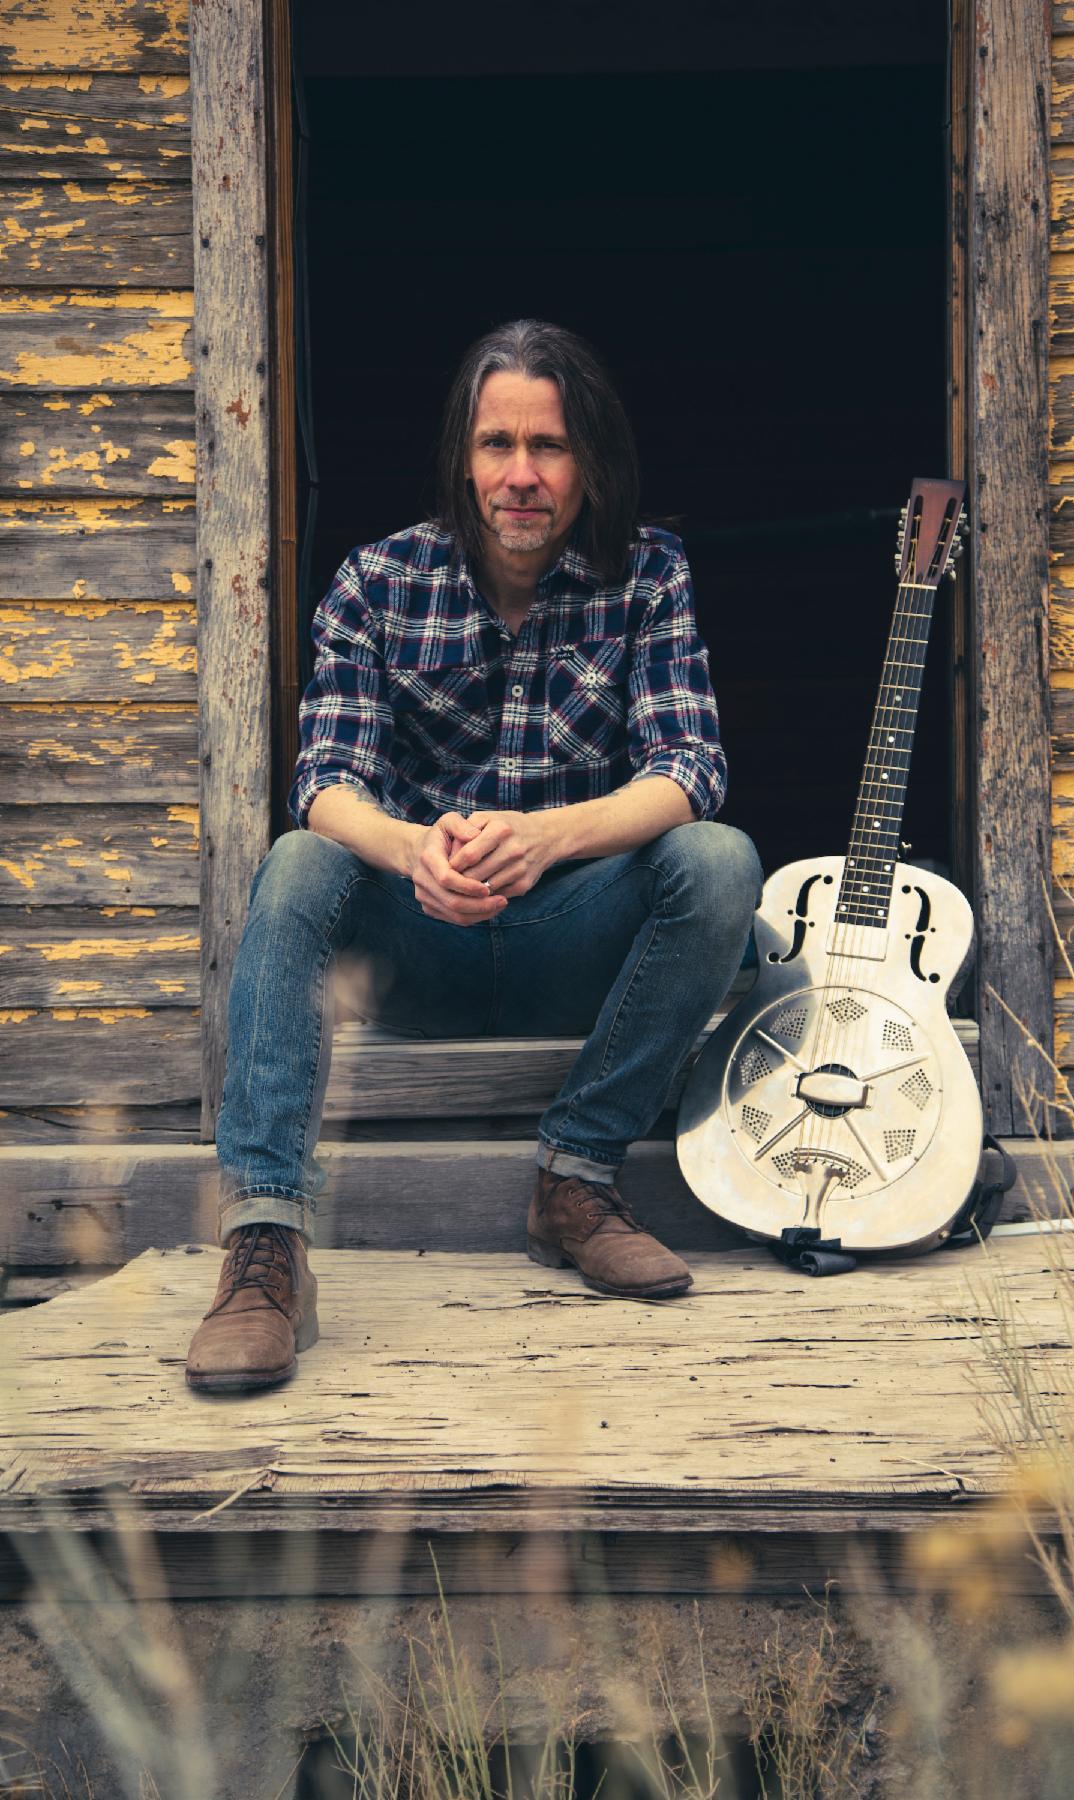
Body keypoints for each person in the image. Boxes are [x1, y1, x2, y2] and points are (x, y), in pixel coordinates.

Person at [185, 319, 762, 1393]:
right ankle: (266, 1246)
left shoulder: (648, 573)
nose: (522, 476)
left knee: (720, 859)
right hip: (418, 950)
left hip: (573, 941)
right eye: (498, 444)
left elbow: (690, 767)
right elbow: (324, 783)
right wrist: (415, 852)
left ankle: (576, 1178)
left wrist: (548, 837)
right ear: (464, 455)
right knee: (299, 862)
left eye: (549, 447)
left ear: (590, 461)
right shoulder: (376, 580)